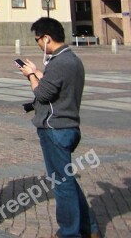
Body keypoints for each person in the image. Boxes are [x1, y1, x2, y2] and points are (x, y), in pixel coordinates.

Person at [19, 17, 99, 238]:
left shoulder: (59, 62)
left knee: (62, 185)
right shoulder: (72, 60)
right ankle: (88, 227)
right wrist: (38, 73)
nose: (37, 44)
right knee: (68, 180)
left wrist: (30, 76)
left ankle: (69, 233)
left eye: (37, 39)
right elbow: (56, 87)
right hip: (69, 126)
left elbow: (42, 94)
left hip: (55, 128)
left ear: (46, 38)